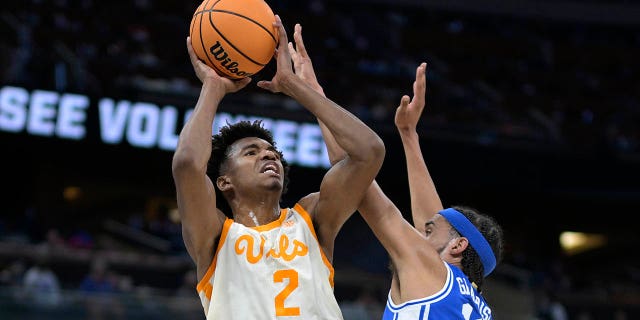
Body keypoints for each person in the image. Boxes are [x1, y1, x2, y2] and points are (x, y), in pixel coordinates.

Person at [172, 15, 385, 320]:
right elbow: (187, 164)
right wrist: (213, 88)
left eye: (272, 151)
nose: (269, 156)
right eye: (251, 152)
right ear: (224, 182)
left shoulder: (310, 218)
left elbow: (369, 151)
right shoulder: (215, 234)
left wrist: (294, 86)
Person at [287, 24, 504, 319]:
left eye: (427, 232)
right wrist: (408, 134)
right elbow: (434, 219)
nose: (418, 233)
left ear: (458, 245)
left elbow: (353, 174)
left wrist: (312, 91)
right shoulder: (476, 305)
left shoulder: (430, 270)